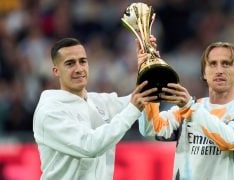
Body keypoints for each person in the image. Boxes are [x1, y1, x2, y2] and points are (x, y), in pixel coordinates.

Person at [33, 37, 158, 180]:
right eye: (70, 63)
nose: (79, 69)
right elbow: (89, 146)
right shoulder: (50, 111)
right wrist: (133, 109)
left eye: (83, 61)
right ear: (56, 71)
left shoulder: (99, 101)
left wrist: (148, 66)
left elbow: (141, 98)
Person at [138, 42, 234, 180]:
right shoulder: (189, 108)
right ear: (204, 73)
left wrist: (189, 107)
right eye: (213, 64)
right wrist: (147, 76)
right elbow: (150, 128)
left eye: (226, 64)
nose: (219, 70)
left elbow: (230, 140)